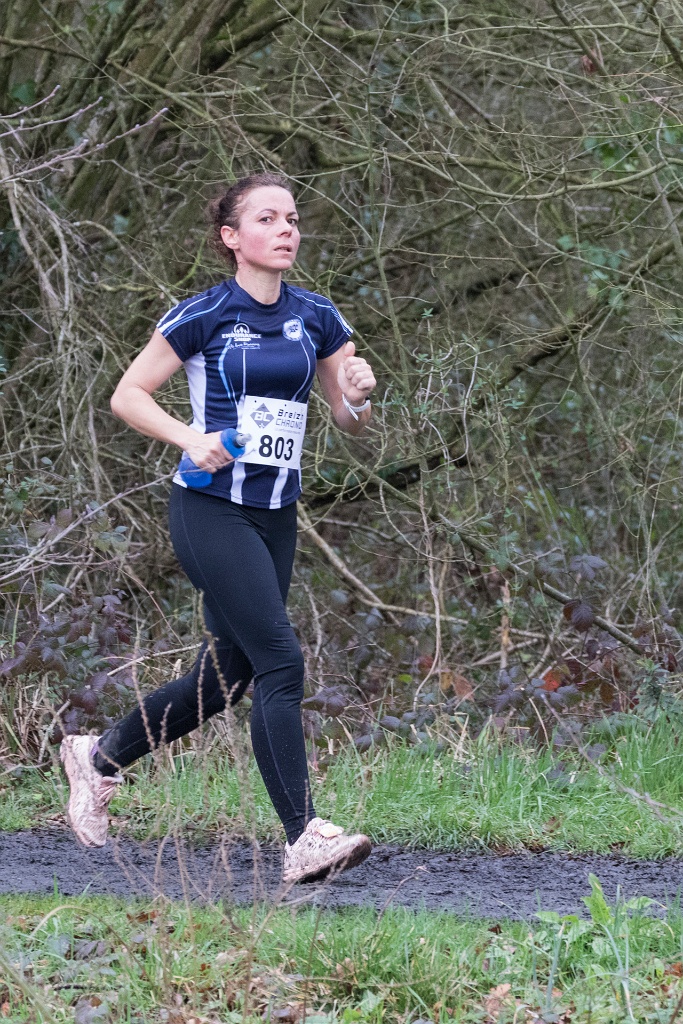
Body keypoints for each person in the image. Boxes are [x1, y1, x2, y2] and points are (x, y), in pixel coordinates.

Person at [60, 172, 376, 884]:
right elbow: (127, 395)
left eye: (292, 218)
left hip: (276, 514)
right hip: (209, 508)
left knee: (228, 674)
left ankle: (99, 757)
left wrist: (358, 398)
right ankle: (304, 836)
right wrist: (188, 437)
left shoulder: (317, 316)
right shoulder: (202, 314)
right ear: (232, 237)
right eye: (268, 219)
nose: (287, 229)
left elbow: (348, 420)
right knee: (279, 660)